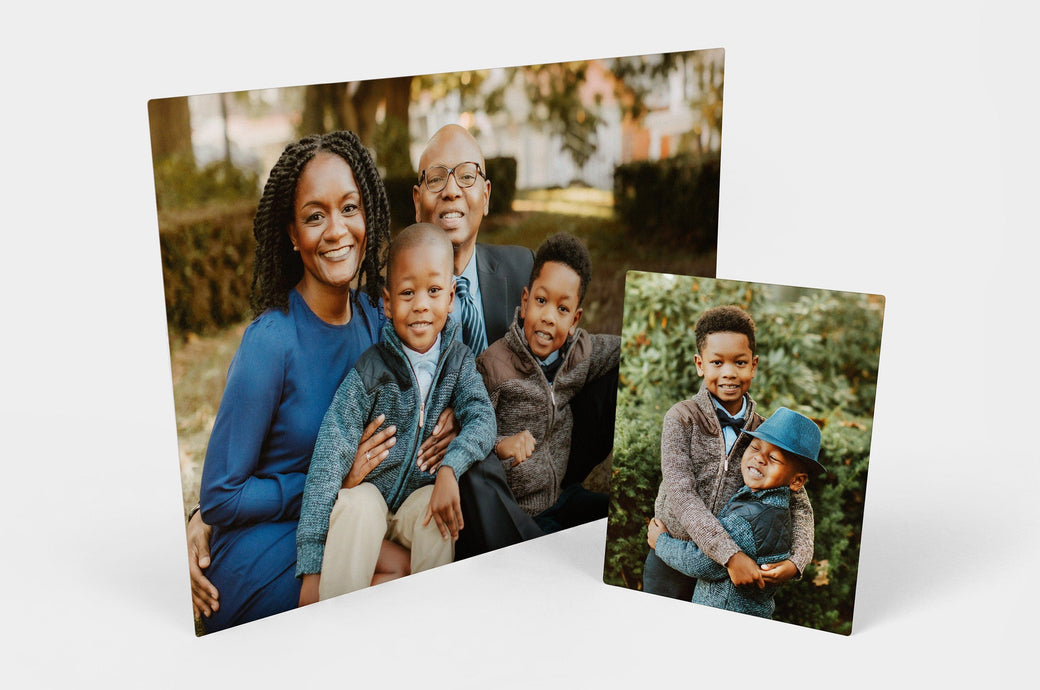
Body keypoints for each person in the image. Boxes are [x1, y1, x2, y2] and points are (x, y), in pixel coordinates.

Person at [185, 132, 455, 633]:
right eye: (315, 216)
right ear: (292, 233)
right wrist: (330, 481)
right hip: (264, 544)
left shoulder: (377, 320)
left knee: (416, 564)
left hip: (343, 520)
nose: (336, 231)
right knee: (395, 583)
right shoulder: (271, 341)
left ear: (367, 216)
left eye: (349, 208)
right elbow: (222, 496)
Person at [413, 125, 618, 556]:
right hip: (464, 467)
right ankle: (536, 559)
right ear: (418, 201)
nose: (451, 190)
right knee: (472, 456)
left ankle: (561, 492)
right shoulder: (402, 293)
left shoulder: (518, 265)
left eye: (466, 176)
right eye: (436, 178)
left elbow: (556, 339)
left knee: (611, 369)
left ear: (486, 195)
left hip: (535, 449)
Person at [296, 224, 496, 604]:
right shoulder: (370, 372)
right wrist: (311, 568)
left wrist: (451, 468)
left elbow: (483, 419)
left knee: (435, 515)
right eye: (407, 293)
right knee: (358, 505)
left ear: (451, 296)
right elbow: (328, 457)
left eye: (434, 291)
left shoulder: (458, 363)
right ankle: (333, 619)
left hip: (413, 508)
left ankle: (426, 623)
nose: (421, 304)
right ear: (387, 303)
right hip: (368, 505)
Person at [644, 305, 816, 601]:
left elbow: (799, 505)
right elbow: (681, 493)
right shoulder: (682, 418)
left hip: (727, 575)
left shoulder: (767, 432)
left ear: (753, 365)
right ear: (700, 364)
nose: (729, 373)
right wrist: (729, 554)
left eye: (739, 362)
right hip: (672, 554)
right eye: (717, 362)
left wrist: (796, 561)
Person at [476, 233, 620, 532]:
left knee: (619, 520)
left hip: (563, 495)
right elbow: (469, 432)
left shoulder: (578, 352)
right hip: (520, 511)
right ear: (525, 301)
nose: (549, 317)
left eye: (562, 309)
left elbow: (624, 349)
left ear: (575, 320)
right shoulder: (494, 364)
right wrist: (502, 444)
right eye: (541, 301)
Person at [647, 407, 826, 618]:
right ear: (700, 370)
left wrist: (661, 542)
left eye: (774, 459)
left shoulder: (749, 519)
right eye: (755, 448)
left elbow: (703, 564)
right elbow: (679, 486)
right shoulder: (684, 417)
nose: (760, 459)